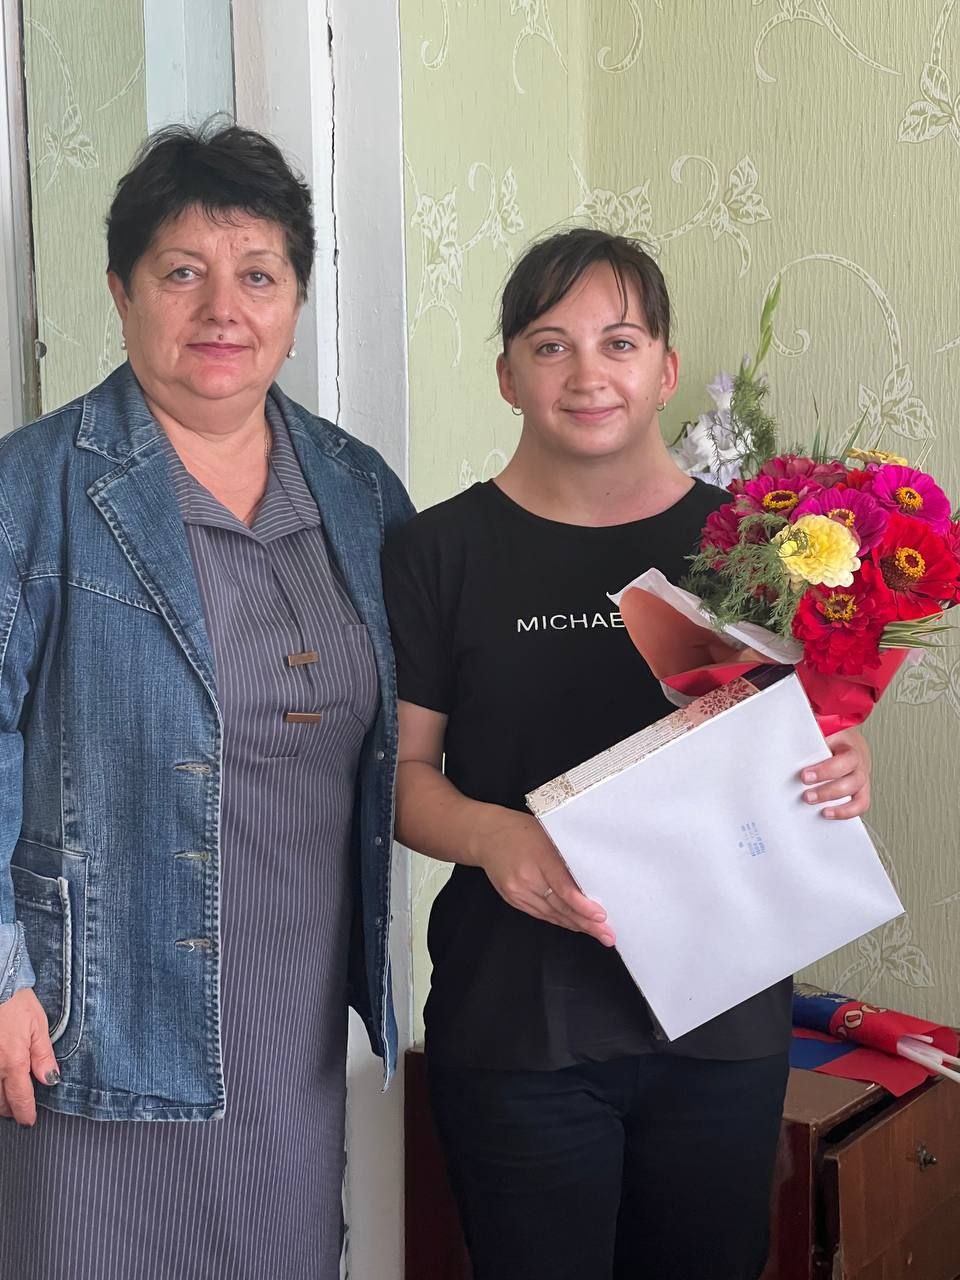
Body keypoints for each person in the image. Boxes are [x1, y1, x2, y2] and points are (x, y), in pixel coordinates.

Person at [382, 228, 873, 1280]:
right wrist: (496, 835)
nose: (587, 373)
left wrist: (839, 765)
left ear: (665, 369)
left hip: (720, 1018)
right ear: (507, 375)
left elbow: (789, 747)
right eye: (550, 345)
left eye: (619, 341)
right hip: (515, 1023)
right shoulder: (436, 552)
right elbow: (402, 779)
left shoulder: (752, 546)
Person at [0, 121, 412, 1279]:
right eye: (183, 271)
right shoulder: (33, 486)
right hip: (91, 1006)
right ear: (123, 290)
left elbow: (442, 718)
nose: (223, 308)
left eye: (259, 275)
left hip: (291, 1017)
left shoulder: (358, 488)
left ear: (297, 300)